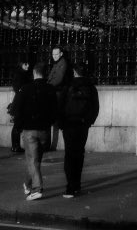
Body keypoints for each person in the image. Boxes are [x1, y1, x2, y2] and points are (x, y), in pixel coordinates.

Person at [10, 61, 58, 201]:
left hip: (29, 129)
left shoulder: (26, 88)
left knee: (32, 160)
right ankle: (27, 184)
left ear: (34, 73)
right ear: (45, 73)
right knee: (35, 160)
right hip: (44, 129)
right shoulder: (50, 89)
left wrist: (19, 125)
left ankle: (37, 189)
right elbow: (55, 111)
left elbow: (15, 110)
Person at [59, 61, 99, 198]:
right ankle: (77, 184)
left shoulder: (68, 86)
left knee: (69, 155)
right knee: (79, 154)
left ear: (74, 72)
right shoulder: (91, 87)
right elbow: (95, 108)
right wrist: (88, 122)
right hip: (82, 125)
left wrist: (61, 123)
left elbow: (60, 106)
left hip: (69, 124)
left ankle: (70, 186)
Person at [47, 45, 72, 150]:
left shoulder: (62, 63)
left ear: (61, 54)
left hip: (58, 93)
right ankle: (50, 144)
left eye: (56, 54)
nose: (54, 56)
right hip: (55, 92)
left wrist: (47, 86)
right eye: (53, 54)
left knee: (56, 120)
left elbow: (58, 79)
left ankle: (51, 145)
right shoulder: (57, 63)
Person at [9, 59, 32, 153]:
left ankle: (16, 145)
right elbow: (18, 88)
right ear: (21, 65)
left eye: (28, 64)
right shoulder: (20, 75)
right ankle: (15, 146)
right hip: (20, 103)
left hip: (21, 102)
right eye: (25, 64)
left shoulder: (23, 74)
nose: (27, 66)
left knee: (18, 125)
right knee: (17, 125)